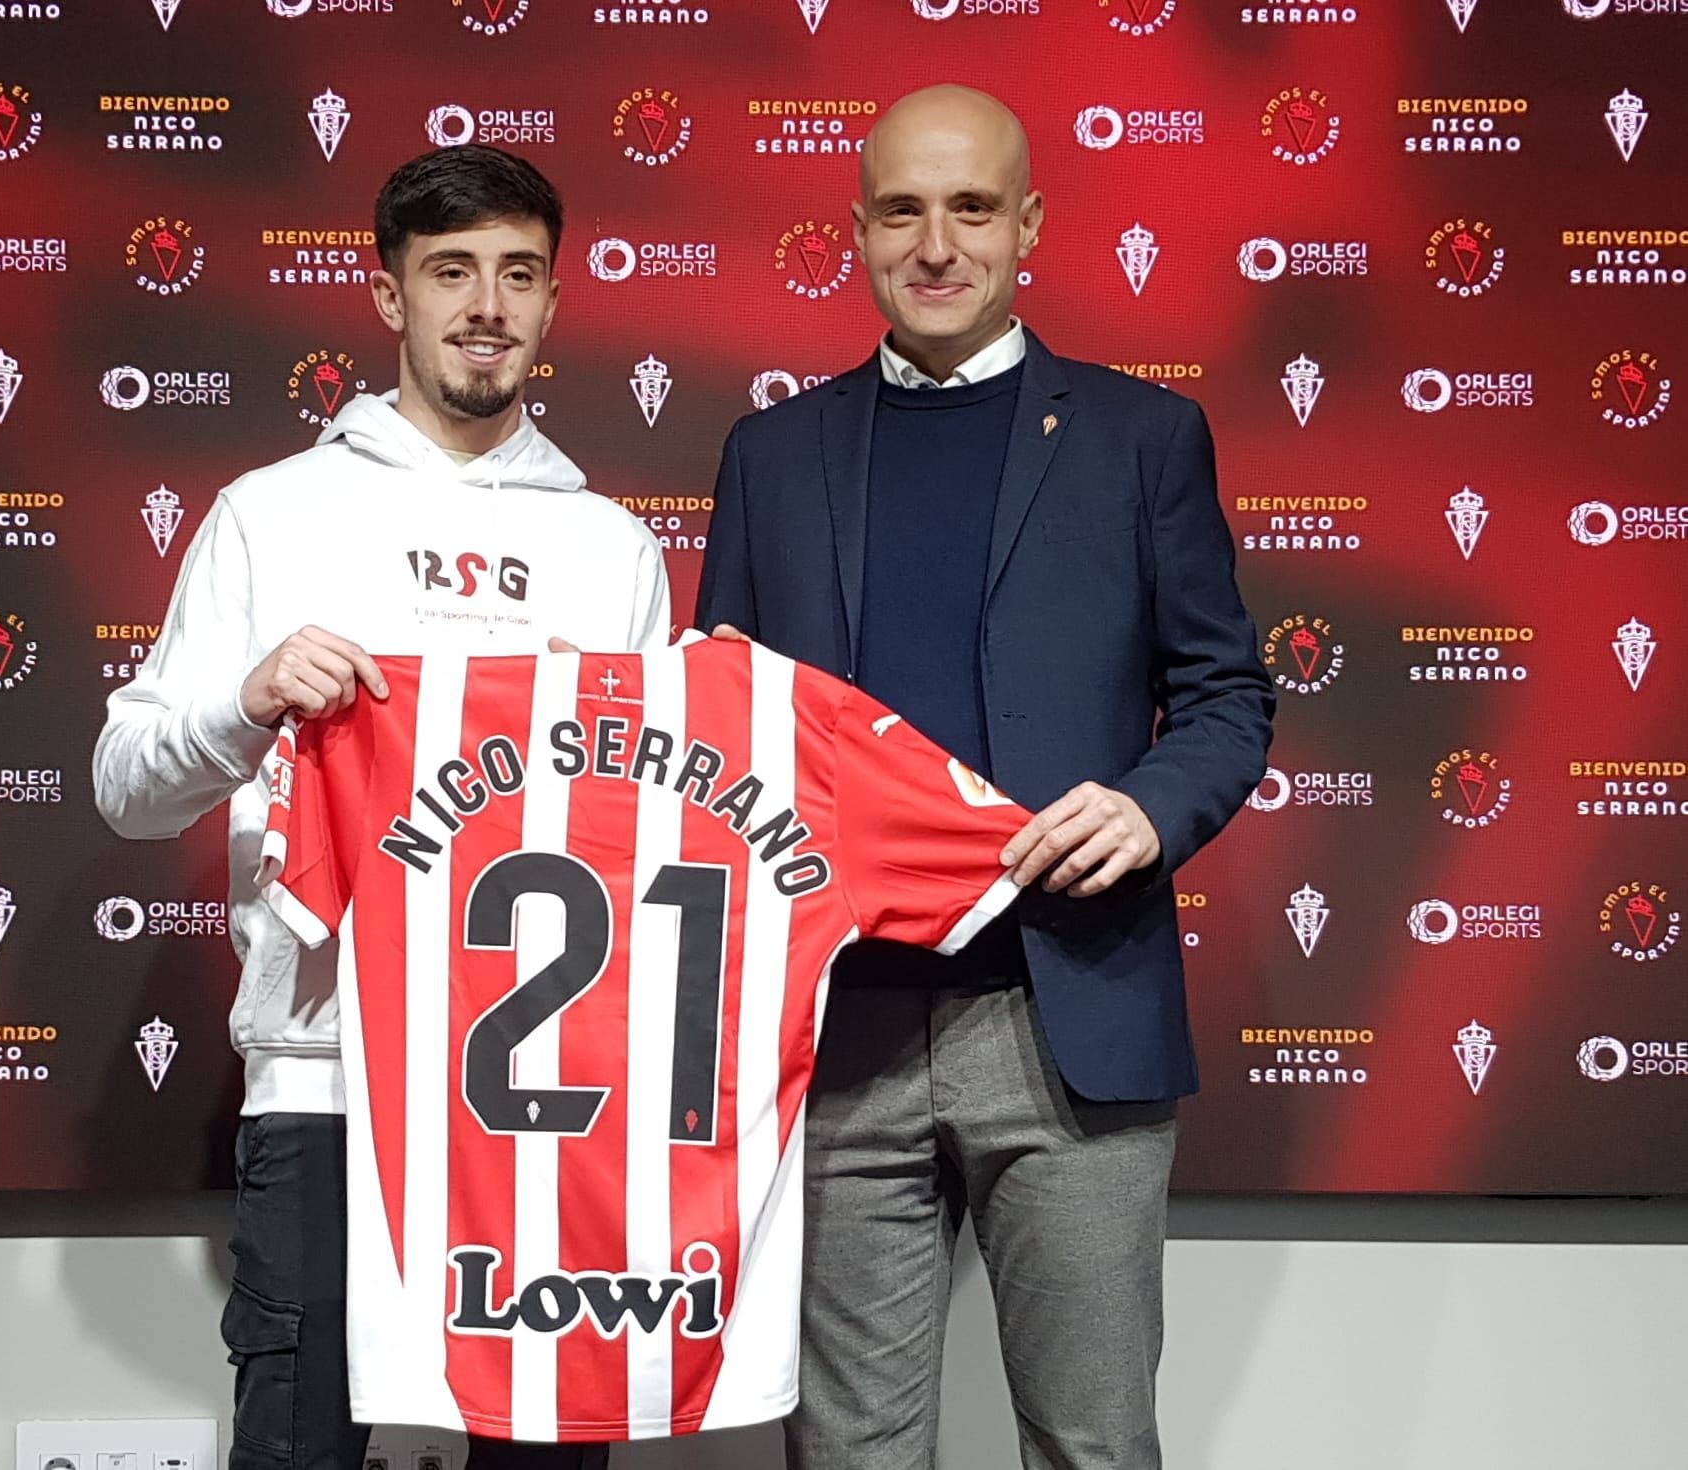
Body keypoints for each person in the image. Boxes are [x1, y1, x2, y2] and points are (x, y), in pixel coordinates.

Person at [695, 85, 1273, 1470]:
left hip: (1068, 1019)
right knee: (850, 1452)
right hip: (833, 1043)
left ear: (1028, 223)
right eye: (901, 209)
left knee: (1088, 1440)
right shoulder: (771, 456)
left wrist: (1146, 803)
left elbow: (1224, 694)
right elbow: (718, 730)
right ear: (855, 231)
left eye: (969, 207)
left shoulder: (1145, 439)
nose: (935, 242)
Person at [94, 145, 664, 1470]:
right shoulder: (271, 514)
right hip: (324, 1076)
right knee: (296, 1440)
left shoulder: (612, 545)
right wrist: (245, 703)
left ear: (552, 303)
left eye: (518, 275)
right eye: (451, 271)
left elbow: (641, 844)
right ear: (385, 293)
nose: (486, 306)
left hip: (538, 1098)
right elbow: (123, 789)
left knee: (541, 1452)